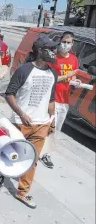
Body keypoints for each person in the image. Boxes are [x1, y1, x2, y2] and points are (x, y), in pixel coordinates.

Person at [5, 34, 58, 209]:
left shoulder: (53, 73)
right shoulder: (25, 70)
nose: (53, 52)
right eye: (49, 49)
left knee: (32, 159)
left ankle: (22, 192)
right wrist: (21, 113)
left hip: (41, 124)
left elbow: (51, 99)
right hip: (20, 124)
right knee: (11, 156)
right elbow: (9, 94)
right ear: (39, 51)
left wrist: (52, 120)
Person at [39, 31, 82, 169]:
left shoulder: (74, 59)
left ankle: (44, 149)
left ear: (72, 44)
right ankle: (44, 153)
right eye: (64, 41)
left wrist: (76, 81)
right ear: (60, 41)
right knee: (51, 126)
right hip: (52, 98)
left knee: (57, 128)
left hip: (65, 100)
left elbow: (73, 77)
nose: (66, 45)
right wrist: (68, 75)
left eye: (69, 43)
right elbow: (51, 78)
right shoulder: (54, 58)